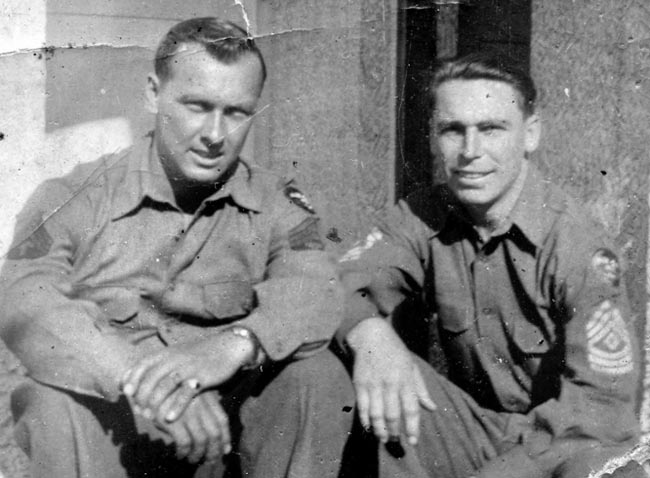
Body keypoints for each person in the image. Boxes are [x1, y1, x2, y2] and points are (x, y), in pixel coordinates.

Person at [0, 17, 354, 478]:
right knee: (50, 402)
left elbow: (316, 284)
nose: (214, 134)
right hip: (119, 432)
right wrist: (148, 380)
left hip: (231, 435)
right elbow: (25, 299)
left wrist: (237, 344)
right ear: (153, 93)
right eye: (197, 105)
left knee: (317, 377)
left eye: (236, 113)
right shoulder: (75, 197)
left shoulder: (276, 201)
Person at [337, 52, 643, 478]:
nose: (470, 151)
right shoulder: (422, 215)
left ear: (530, 134)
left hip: (562, 448)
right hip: (477, 433)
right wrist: (369, 332)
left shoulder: (577, 244)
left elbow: (603, 410)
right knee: (336, 368)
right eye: (452, 130)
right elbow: (337, 282)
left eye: (491, 129)